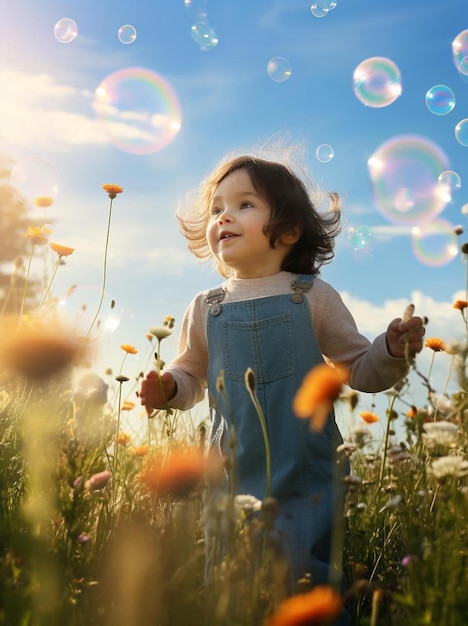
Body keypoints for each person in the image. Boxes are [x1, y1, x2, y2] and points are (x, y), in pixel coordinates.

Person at [139, 154, 425, 622]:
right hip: (229, 472)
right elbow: (191, 374)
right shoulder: (205, 306)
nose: (223, 217)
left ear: (288, 231)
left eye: (244, 204)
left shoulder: (311, 296)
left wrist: (390, 349)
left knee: (300, 576)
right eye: (216, 209)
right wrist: (167, 388)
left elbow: (357, 368)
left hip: (306, 472)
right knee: (229, 577)